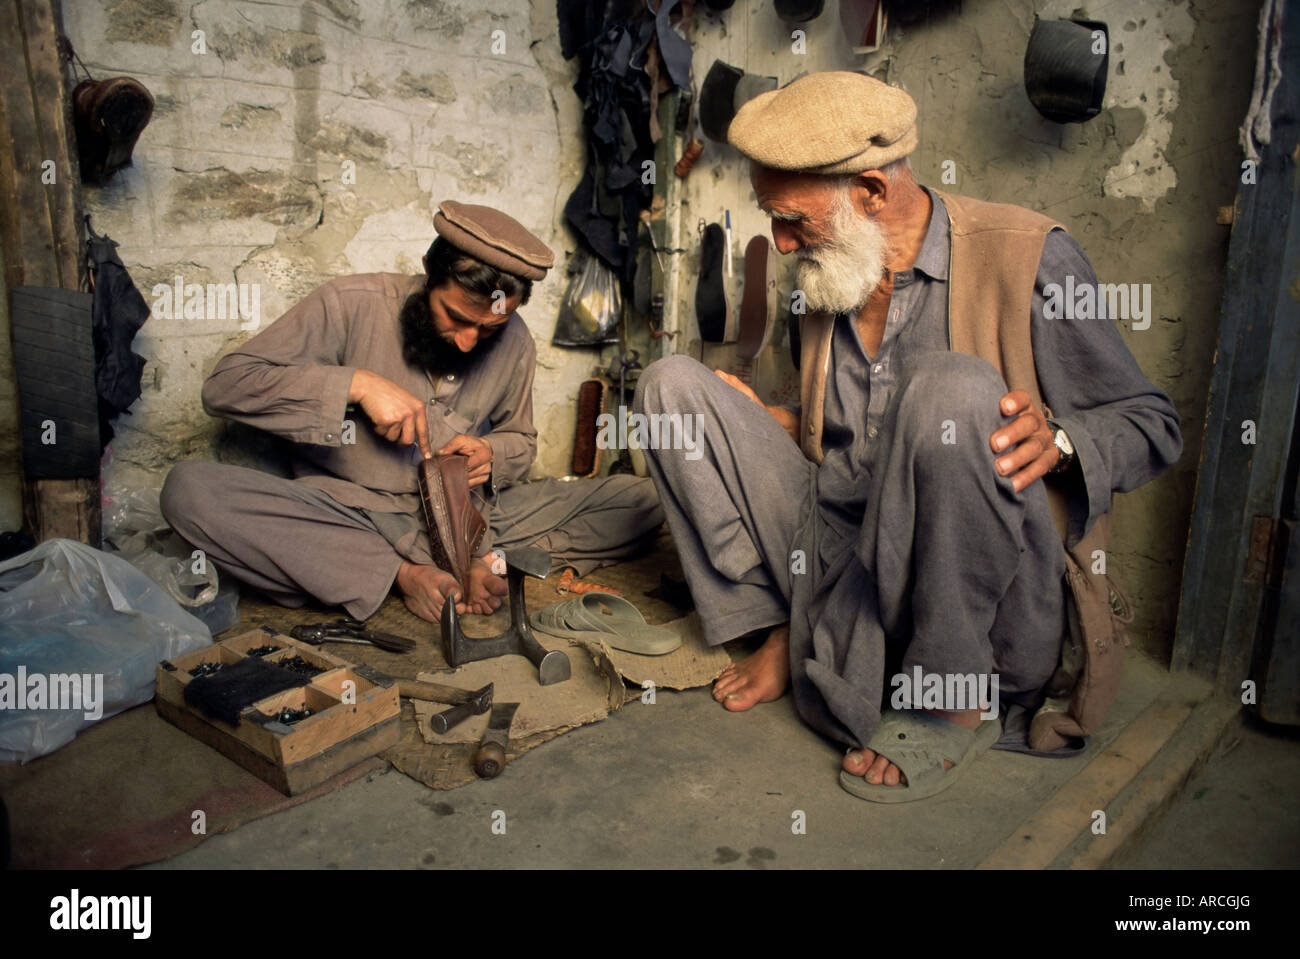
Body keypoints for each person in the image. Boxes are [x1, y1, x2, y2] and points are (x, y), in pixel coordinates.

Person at [634, 72, 1182, 802]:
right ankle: (783, 630)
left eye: (793, 218)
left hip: (974, 593)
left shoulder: (1030, 258)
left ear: (869, 190)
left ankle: (950, 694)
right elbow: (851, 440)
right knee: (670, 387)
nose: (781, 239)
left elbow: (1155, 424)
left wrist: (1062, 439)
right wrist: (772, 422)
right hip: (839, 549)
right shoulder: (831, 273)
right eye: (772, 216)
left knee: (951, 388)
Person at [162, 201, 662, 625]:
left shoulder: (514, 341)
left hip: (470, 518)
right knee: (190, 491)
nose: (470, 341)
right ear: (430, 274)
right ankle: (403, 574)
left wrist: (493, 453)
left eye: (488, 329)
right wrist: (356, 384)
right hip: (350, 518)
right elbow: (227, 386)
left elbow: (522, 441)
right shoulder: (349, 304)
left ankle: (485, 560)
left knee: (643, 499)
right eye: (459, 318)